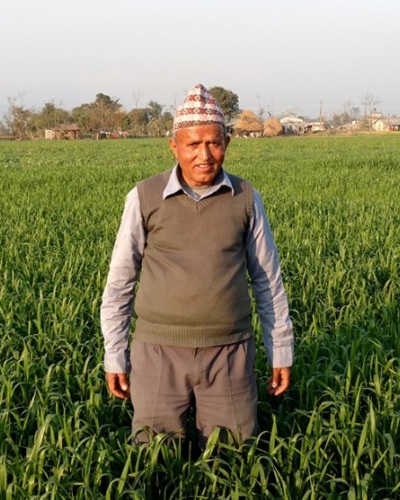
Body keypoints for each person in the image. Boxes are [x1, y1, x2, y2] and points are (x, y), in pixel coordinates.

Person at [100, 83, 294, 446]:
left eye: (214, 143)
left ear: (227, 143)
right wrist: (115, 354)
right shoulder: (144, 197)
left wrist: (280, 350)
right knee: (156, 456)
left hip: (230, 353)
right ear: (174, 146)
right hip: (157, 353)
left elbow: (268, 280)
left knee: (232, 455)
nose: (204, 155)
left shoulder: (245, 198)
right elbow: (120, 282)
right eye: (192, 144)